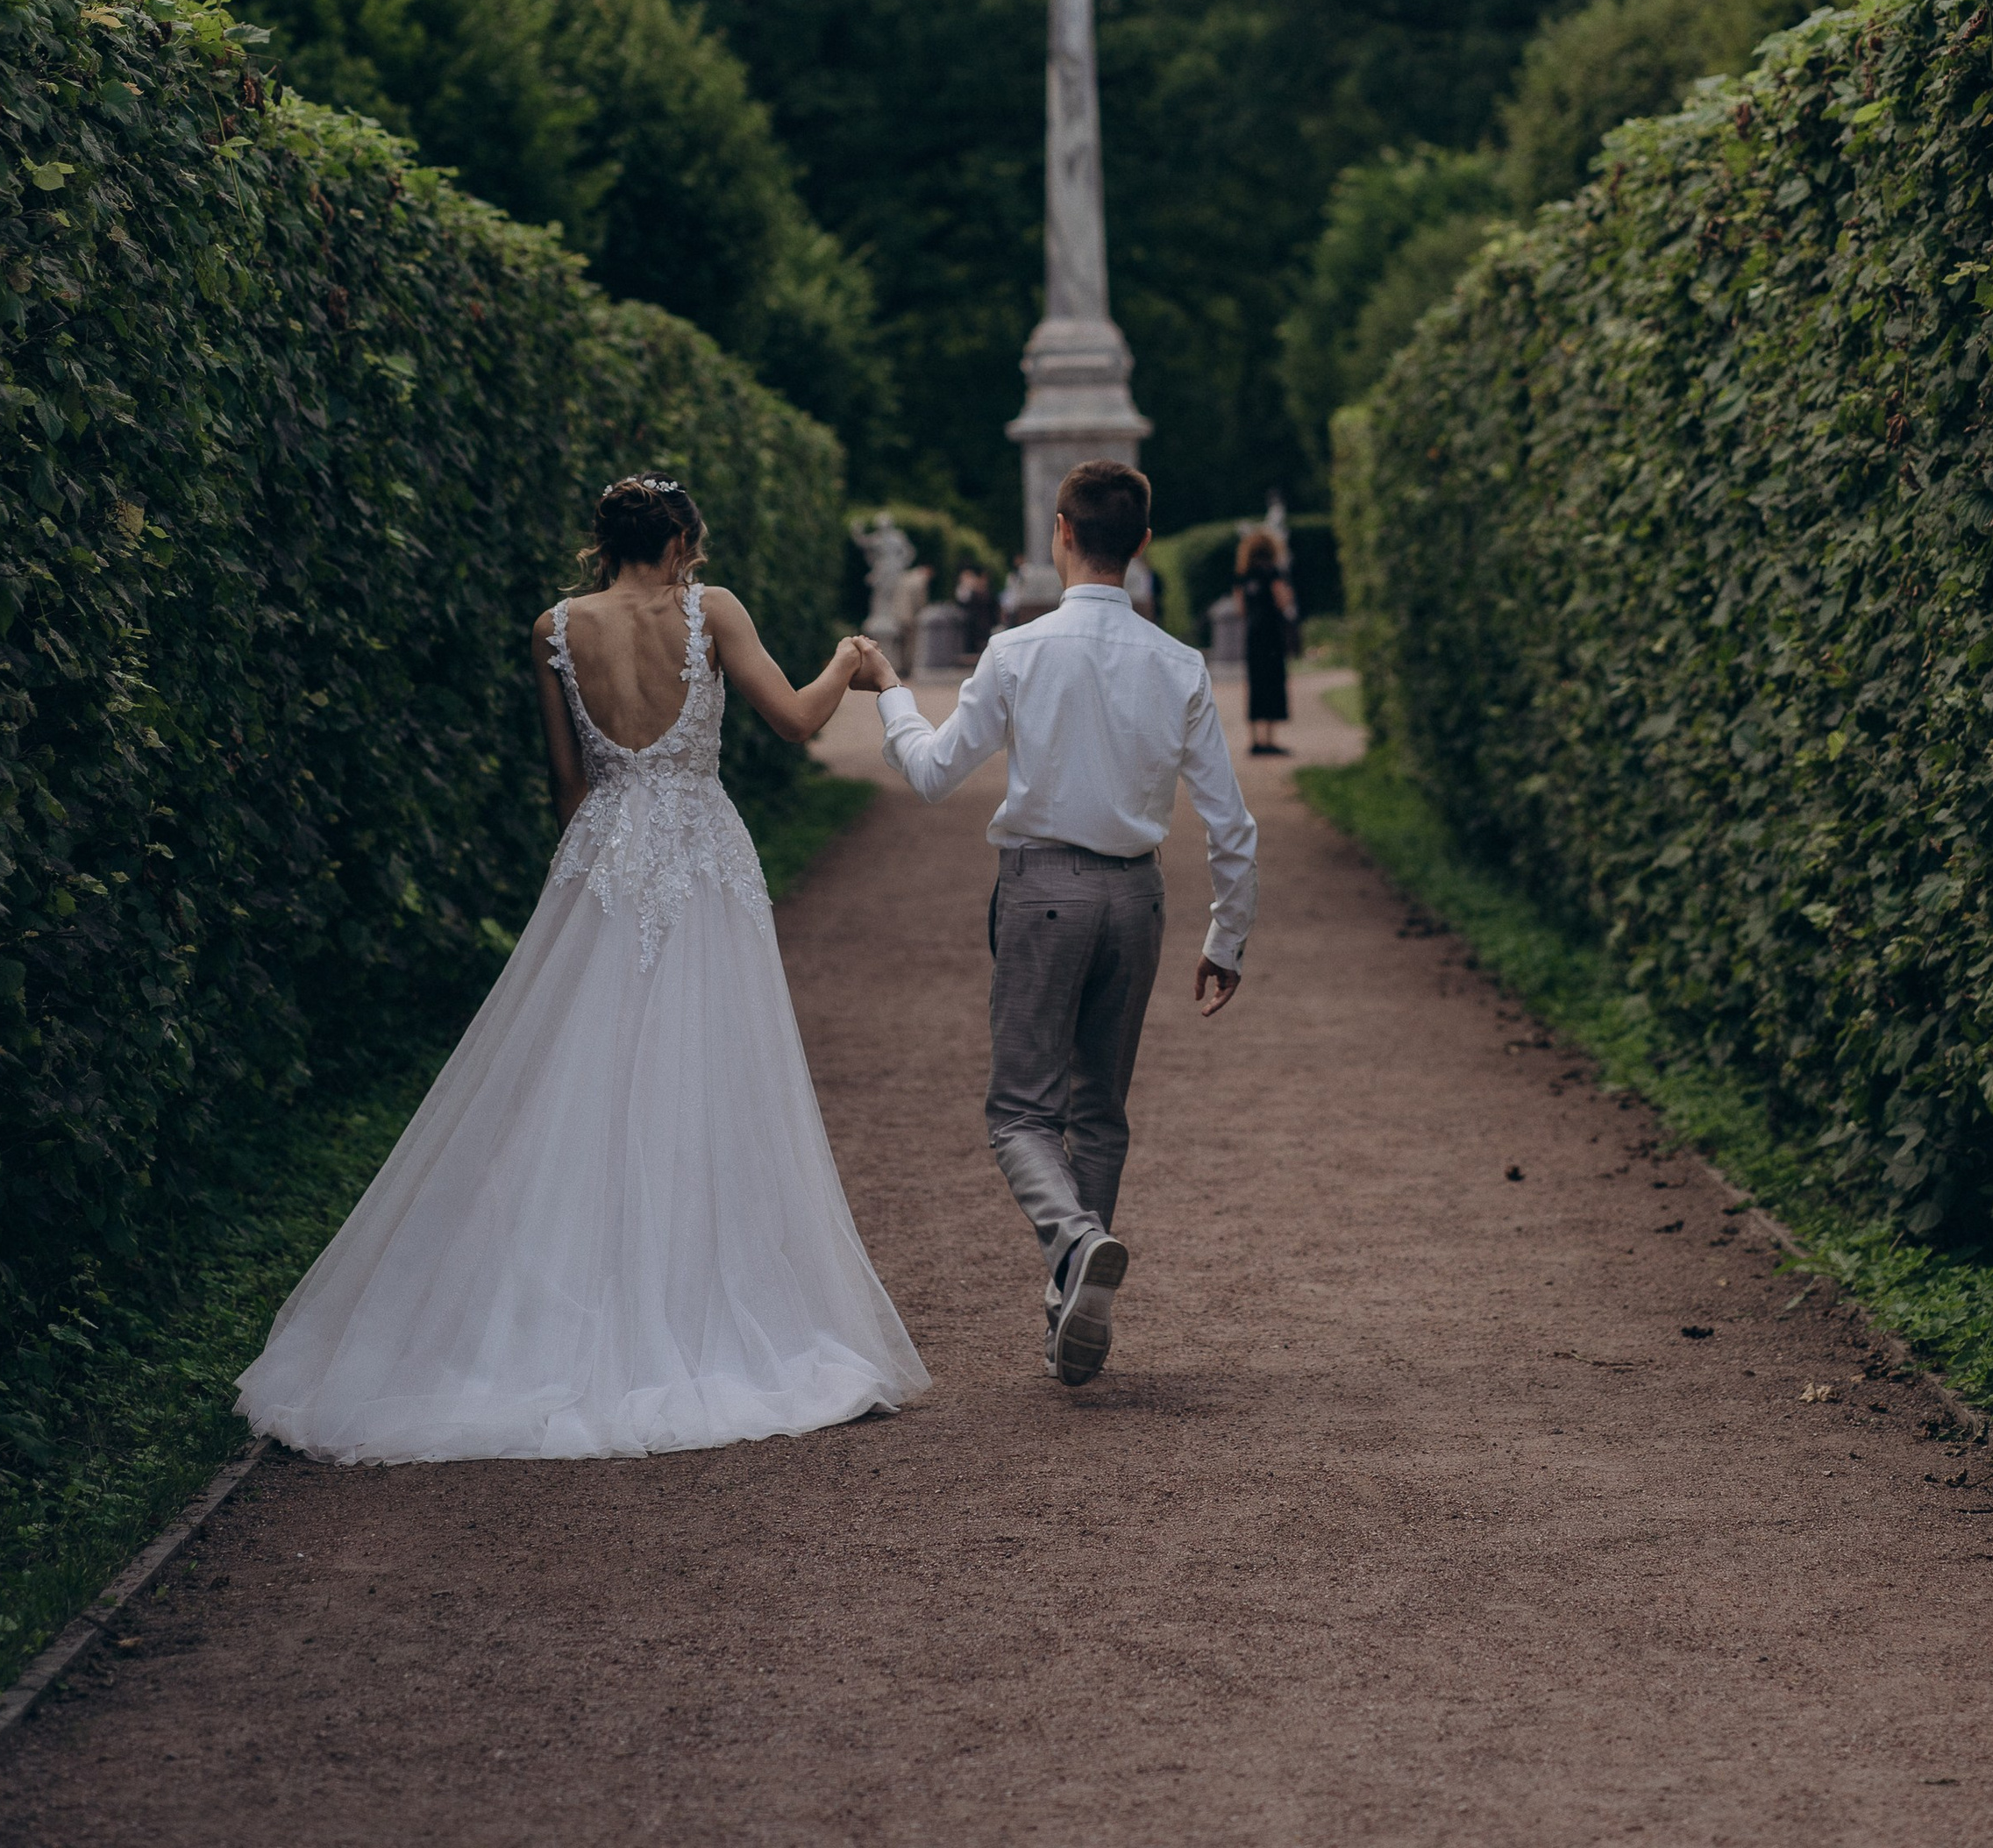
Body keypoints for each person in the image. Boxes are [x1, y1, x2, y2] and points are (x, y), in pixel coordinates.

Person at [236, 474, 928, 1460]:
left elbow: (567, 783)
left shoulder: (553, 628)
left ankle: (564, 1290)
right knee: (709, 1074)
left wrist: (600, 871)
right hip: (701, 856)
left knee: (583, 1074)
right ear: (683, 539)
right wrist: (850, 660)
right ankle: (696, 1292)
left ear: (601, 543)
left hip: (605, 856)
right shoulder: (713, 609)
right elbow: (794, 719)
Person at [858, 457, 1256, 1390]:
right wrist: (1225, 938)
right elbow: (1231, 822)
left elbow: (930, 773)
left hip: (1042, 891)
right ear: (1145, 546)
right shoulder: (1179, 664)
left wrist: (886, 690)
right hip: (1137, 899)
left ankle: (1076, 1248)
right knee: (1099, 1111)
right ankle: (1072, 1311)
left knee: (1019, 1113)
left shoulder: (1017, 650)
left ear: (1059, 535)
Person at [1238, 528, 1297, 757]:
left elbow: (1240, 608)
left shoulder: (1243, 575)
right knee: (1272, 683)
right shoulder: (1273, 573)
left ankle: (1254, 738)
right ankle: (1270, 738)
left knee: (1255, 684)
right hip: (1272, 635)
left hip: (1253, 636)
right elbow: (1282, 601)